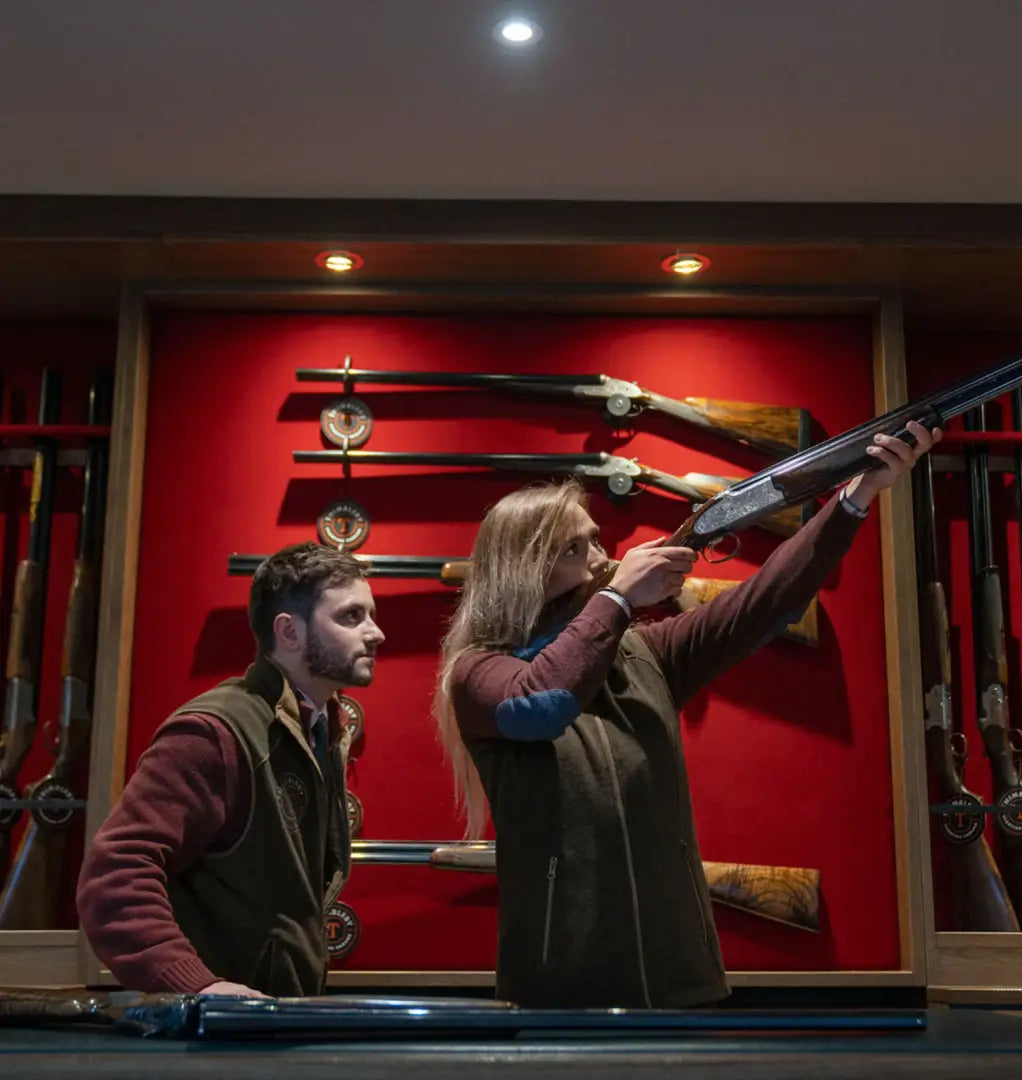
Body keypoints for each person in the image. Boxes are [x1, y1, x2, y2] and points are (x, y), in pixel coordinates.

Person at [435, 422, 941, 1009]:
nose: (601, 559)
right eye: (575, 549)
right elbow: (543, 704)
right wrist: (619, 598)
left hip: (680, 971)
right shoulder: (478, 672)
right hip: (561, 981)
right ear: (521, 570)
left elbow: (765, 602)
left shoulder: (645, 652)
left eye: (595, 540)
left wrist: (854, 497)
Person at [77, 541, 384, 997]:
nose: (375, 633)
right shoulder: (213, 732)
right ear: (290, 631)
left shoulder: (318, 726)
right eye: (351, 616)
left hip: (269, 1028)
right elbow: (115, 876)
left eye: (371, 614)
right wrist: (198, 988)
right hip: (216, 1045)